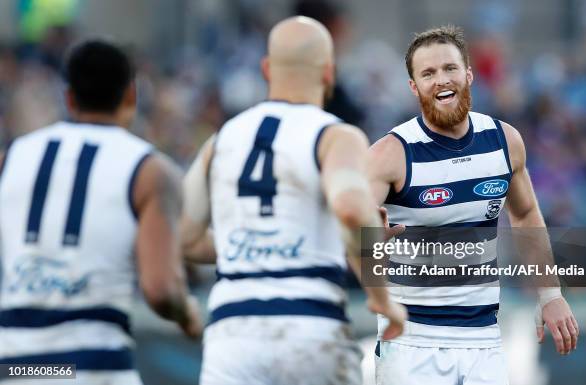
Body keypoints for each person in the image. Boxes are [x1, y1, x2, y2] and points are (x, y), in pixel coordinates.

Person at [180, 16, 406, 385]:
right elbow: (351, 209)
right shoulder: (336, 136)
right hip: (309, 325)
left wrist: (255, 248)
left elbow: (184, 237)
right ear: (329, 73)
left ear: (267, 69)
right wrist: (381, 297)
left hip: (231, 334)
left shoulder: (221, 140)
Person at [368, 25, 579, 385]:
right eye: (428, 73)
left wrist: (550, 295)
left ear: (468, 74)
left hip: (484, 339)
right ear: (413, 86)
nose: (440, 80)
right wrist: (368, 243)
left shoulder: (504, 141)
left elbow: (525, 214)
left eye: (449, 68)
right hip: (412, 342)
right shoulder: (390, 154)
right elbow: (344, 225)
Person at [0, 40, 202, 385]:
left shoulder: (11, 159)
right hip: (95, 365)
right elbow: (160, 289)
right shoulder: (150, 171)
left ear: (69, 98)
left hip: (18, 366)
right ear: (131, 96)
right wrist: (188, 316)